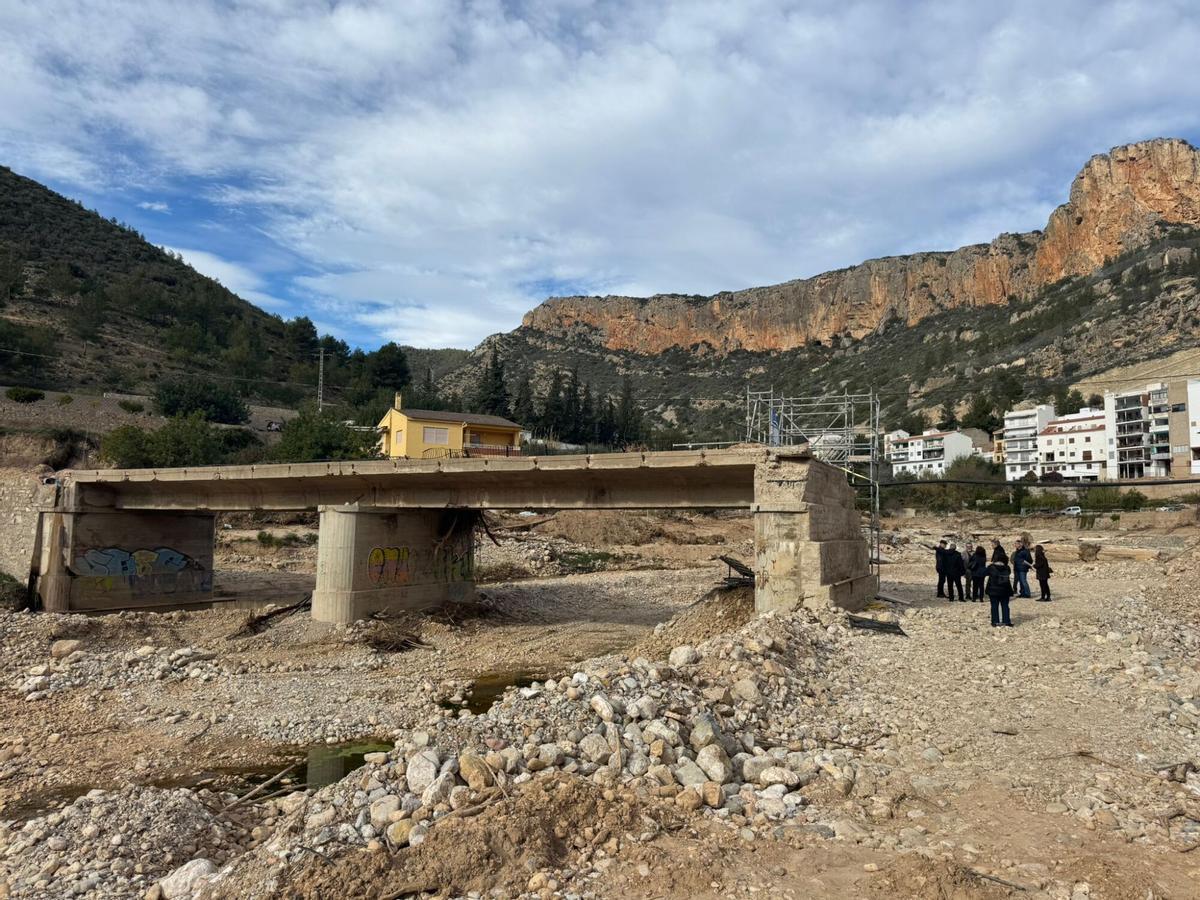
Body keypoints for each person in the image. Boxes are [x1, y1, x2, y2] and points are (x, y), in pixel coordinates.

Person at [986, 546, 1015, 627]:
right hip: (1005, 589)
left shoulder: (991, 567)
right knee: (1005, 606)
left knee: (994, 606)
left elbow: (985, 573)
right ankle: (1007, 621)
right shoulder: (1007, 568)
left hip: (993, 589)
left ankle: (995, 622)